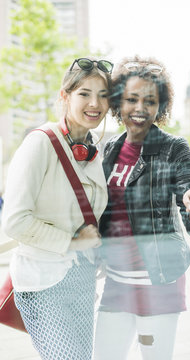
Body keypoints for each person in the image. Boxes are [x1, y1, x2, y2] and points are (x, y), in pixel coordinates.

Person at [94, 56, 190, 360]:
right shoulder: (109, 148)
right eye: (132, 99)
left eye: (150, 100)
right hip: (117, 281)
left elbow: (188, 189)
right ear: (119, 101)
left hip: (159, 280)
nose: (140, 108)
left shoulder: (174, 148)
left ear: (161, 105)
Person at [1, 57, 113, 360]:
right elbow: (14, 221)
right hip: (42, 283)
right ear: (65, 97)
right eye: (85, 93)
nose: (95, 103)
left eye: (103, 95)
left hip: (83, 279)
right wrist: (72, 242)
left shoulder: (93, 153)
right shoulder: (40, 143)